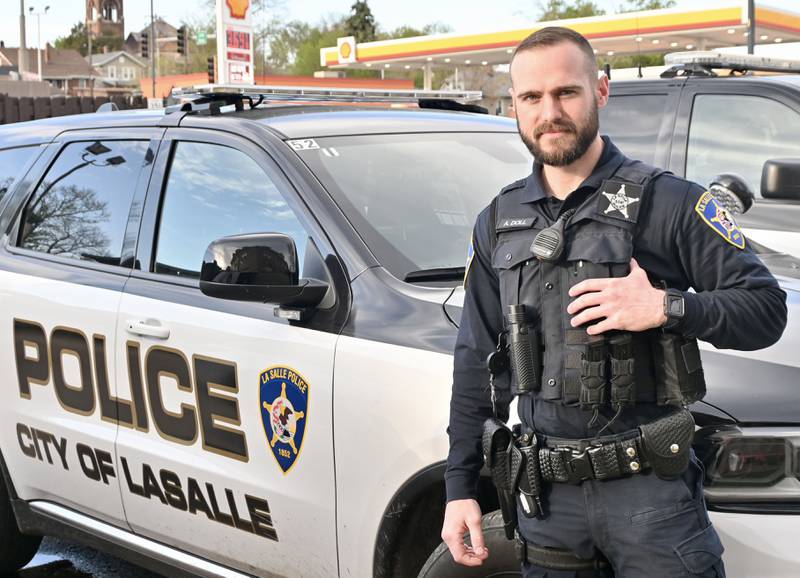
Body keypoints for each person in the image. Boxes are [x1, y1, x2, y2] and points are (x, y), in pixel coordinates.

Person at [442, 26, 787, 577]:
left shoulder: (671, 202)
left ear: (600, 91)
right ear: (514, 105)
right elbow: (476, 360)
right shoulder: (499, 222)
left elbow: (766, 310)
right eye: (532, 97)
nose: (549, 111)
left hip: (652, 502)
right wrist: (459, 486)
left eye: (566, 93)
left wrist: (668, 309)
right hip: (546, 500)